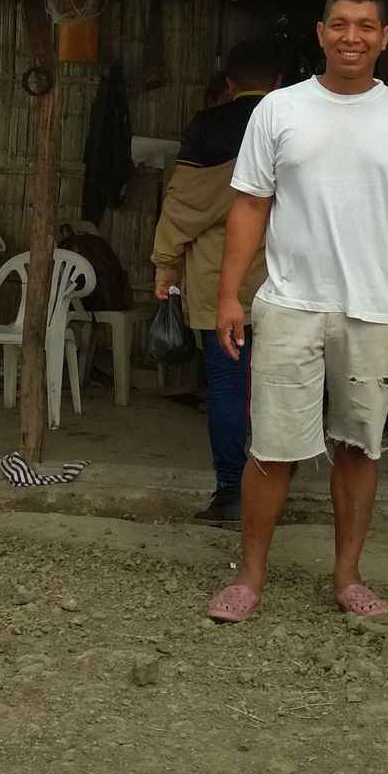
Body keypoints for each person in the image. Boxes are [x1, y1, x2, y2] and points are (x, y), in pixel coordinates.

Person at [203, 0, 388, 624]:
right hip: (289, 304)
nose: (352, 37)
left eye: (366, 26)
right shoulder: (279, 111)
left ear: (384, 38)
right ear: (320, 34)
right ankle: (249, 580)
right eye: (340, 24)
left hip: (376, 310)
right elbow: (250, 205)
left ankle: (347, 578)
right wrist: (230, 295)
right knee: (273, 447)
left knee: (358, 446)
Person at [150, 37, 283, 526]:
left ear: (229, 84)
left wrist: (165, 265)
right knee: (278, 389)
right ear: (279, 84)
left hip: (216, 280)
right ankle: (273, 485)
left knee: (227, 388)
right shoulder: (289, 125)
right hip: (284, 280)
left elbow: (182, 205)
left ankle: (231, 492)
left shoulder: (207, 127)